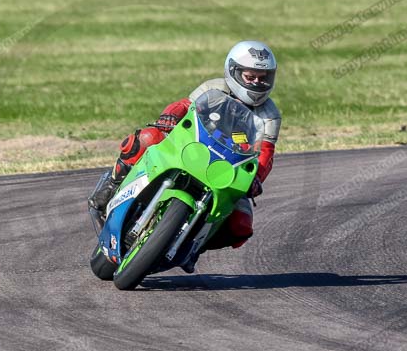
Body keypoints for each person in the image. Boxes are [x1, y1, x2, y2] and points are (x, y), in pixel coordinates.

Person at [88, 40, 282, 272]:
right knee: (148, 137)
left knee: (241, 224)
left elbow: (266, 155)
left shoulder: (269, 115)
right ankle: (111, 185)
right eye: (251, 77)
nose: (258, 83)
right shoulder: (214, 88)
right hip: (191, 148)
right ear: (234, 72)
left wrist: (256, 178)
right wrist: (169, 117)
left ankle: (194, 244)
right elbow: (183, 105)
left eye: (264, 77)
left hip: (227, 170)